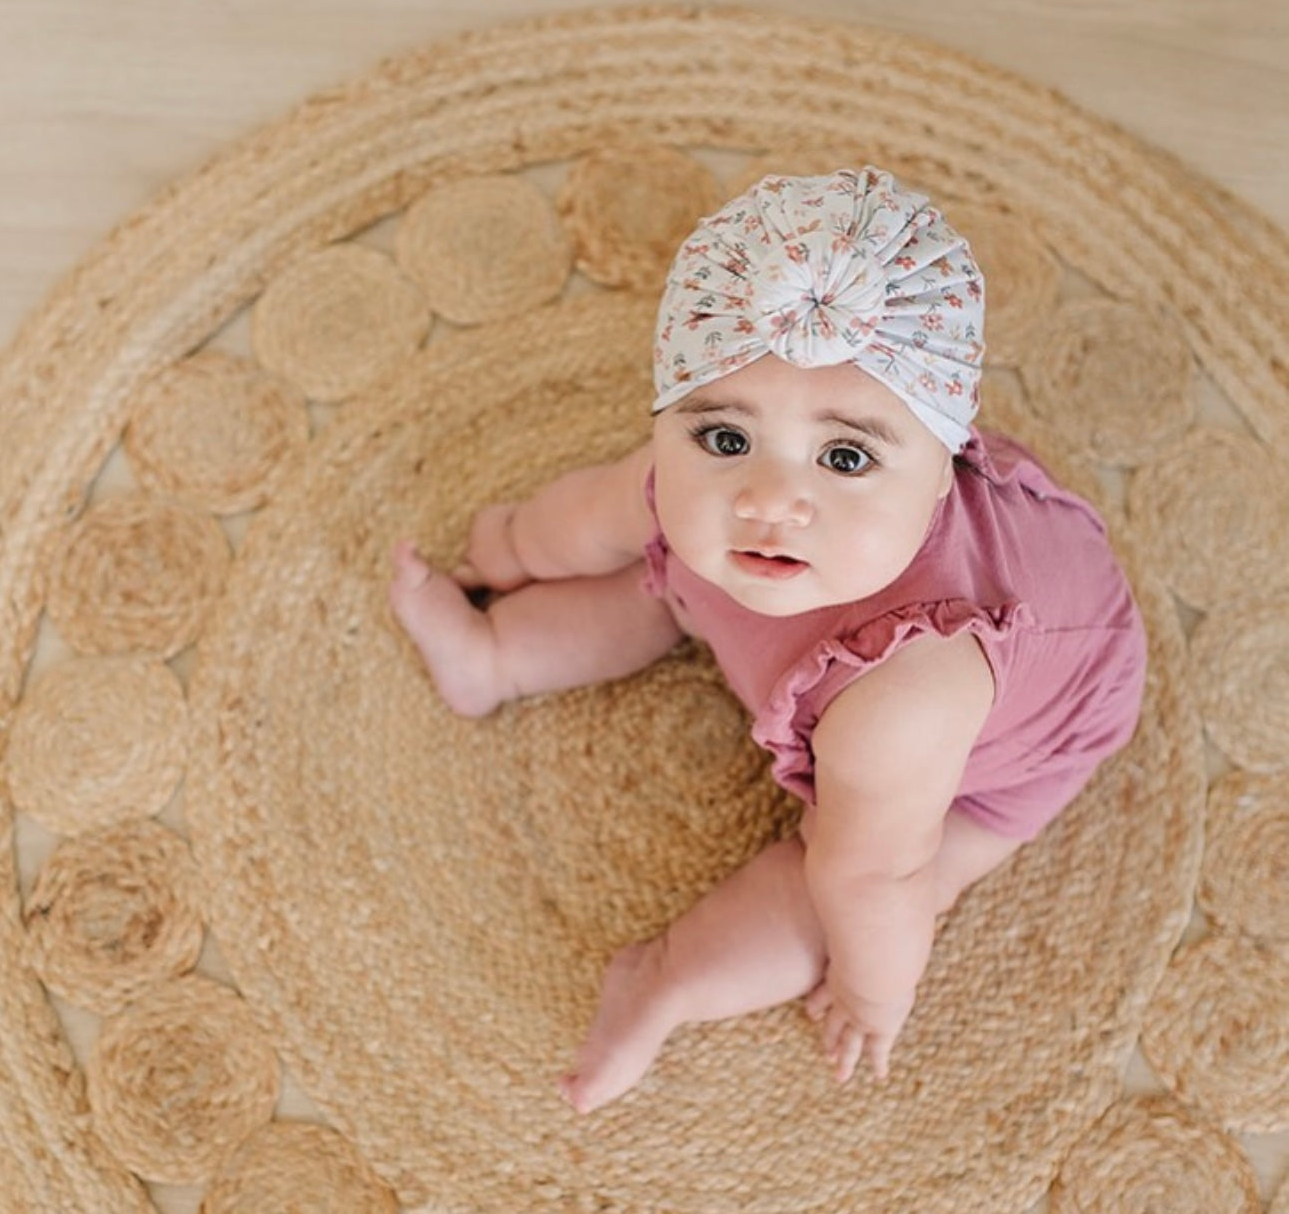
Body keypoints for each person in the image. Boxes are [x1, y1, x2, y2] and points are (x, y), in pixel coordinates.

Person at [388, 168, 1147, 1115]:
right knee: (667, 580)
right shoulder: (707, 495)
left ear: (943, 470)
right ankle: (492, 657)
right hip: (814, 605)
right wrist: (504, 548)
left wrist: (877, 992)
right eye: (723, 436)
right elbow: (577, 521)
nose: (768, 502)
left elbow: (877, 876)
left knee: (848, 888)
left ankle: (666, 979)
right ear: (671, 415)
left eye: (845, 457)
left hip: (1004, 740)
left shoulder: (906, 702)